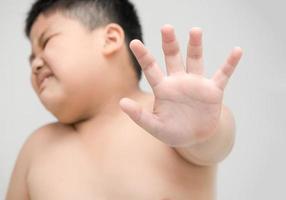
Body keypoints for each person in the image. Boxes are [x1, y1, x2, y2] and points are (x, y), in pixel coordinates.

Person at [6, 0, 243, 199]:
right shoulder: (37, 148)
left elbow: (215, 141)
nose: (35, 63)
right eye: (31, 58)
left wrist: (203, 132)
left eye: (46, 42)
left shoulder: (168, 118)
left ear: (110, 39)